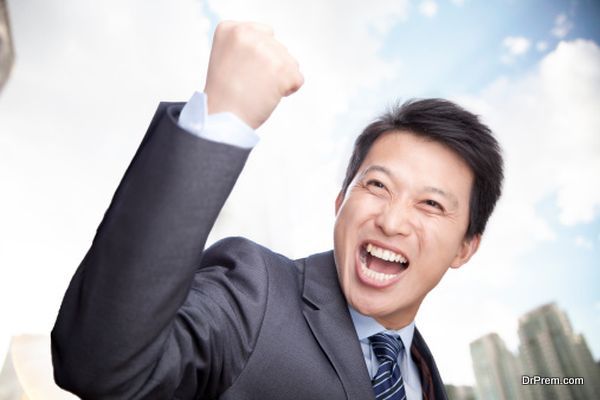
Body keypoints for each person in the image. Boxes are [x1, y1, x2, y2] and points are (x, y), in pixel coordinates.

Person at [51, 21, 503, 400]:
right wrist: (222, 118)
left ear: (466, 247)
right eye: (377, 185)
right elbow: (101, 363)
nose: (390, 220)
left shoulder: (425, 375)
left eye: (430, 203)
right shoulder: (252, 294)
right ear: (340, 201)